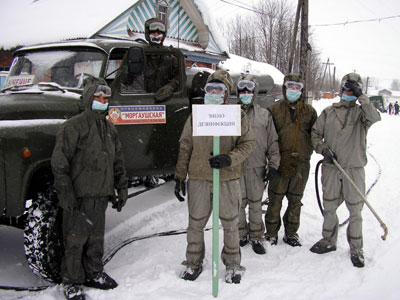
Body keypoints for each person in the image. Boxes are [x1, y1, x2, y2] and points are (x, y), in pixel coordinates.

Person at [174, 70, 255, 284]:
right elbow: (185, 145)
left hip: (227, 177)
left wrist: (229, 159)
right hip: (200, 176)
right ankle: (193, 262)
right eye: (211, 89)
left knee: (230, 223)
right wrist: (180, 175)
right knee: (195, 223)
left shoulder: (238, 115)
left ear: (227, 93)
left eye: (219, 89)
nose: (214, 93)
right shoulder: (197, 115)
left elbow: (248, 144)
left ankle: (233, 264)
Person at [51, 81, 128, 300]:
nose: (103, 102)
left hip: (101, 194)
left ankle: (94, 272)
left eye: (106, 98)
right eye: (98, 98)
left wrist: (121, 188)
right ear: (88, 99)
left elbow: (118, 162)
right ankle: (72, 281)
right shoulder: (73, 127)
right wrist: (65, 192)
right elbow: (59, 163)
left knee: (96, 237)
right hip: (78, 195)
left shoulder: (109, 128)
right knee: (75, 240)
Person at [310, 73, 381, 268]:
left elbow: (375, 117)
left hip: (353, 168)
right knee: (330, 207)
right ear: (341, 90)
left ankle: (356, 248)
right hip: (332, 168)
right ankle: (328, 240)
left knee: (355, 210)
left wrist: (362, 97)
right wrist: (322, 149)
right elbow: (315, 134)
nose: (349, 93)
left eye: (353, 89)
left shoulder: (362, 114)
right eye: (347, 89)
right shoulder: (328, 112)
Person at [264, 73, 317, 247]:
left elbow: (316, 135)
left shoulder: (310, 112)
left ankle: (291, 233)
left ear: (301, 90)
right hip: (279, 162)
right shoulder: (274, 110)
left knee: (295, 200)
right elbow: (267, 136)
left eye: (297, 87)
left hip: (301, 164)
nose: (293, 90)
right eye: (290, 86)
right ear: (285, 88)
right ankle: (271, 233)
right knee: (275, 199)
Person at [236, 74, 280, 255]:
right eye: (242, 90)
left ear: (254, 93)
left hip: (257, 167)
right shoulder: (230, 114)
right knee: (238, 204)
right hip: (235, 168)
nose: (246, 93)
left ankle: (256, 236)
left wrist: (274, 165)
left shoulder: (264, 115)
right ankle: (240, 234)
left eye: (249, 90)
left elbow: (273, 142)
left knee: (255, 204)